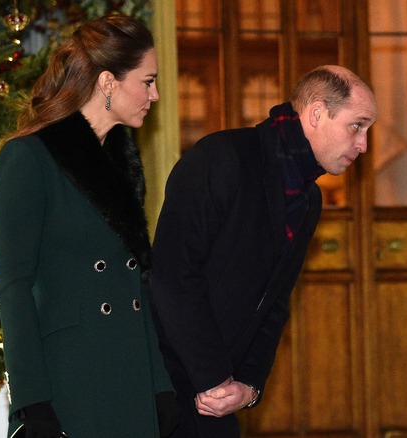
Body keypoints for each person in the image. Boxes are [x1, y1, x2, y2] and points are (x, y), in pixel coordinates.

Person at [149, 65, 377, 437]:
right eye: (357, 125)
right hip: (163, 387)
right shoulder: (221, 157)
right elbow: (173, 277)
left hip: (219, 396)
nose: (364, 144)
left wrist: (249, 387)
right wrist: (214, 379)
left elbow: (275, 303)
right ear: (317, 113)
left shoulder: (308, 197)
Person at [0, 14, 180, 438]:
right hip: (69, 383)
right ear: (108, 82)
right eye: (147, 81)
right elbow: (13, 287)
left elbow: (133, 285)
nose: (156, 94)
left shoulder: (121, 162)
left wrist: (160, 385)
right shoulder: (28, 158)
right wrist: (32, 401)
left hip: (128, 377)